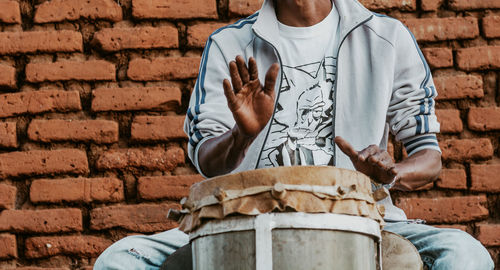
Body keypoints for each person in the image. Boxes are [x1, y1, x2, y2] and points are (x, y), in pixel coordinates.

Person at [94, 0, 495, 269]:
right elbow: (204, 155)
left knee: (465, 254)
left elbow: (429, 155)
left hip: (366, 218)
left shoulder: (386, 38)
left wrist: (391, 172)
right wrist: (240, 136)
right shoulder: (229, 44)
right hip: (242, 216)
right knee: (120, 260)